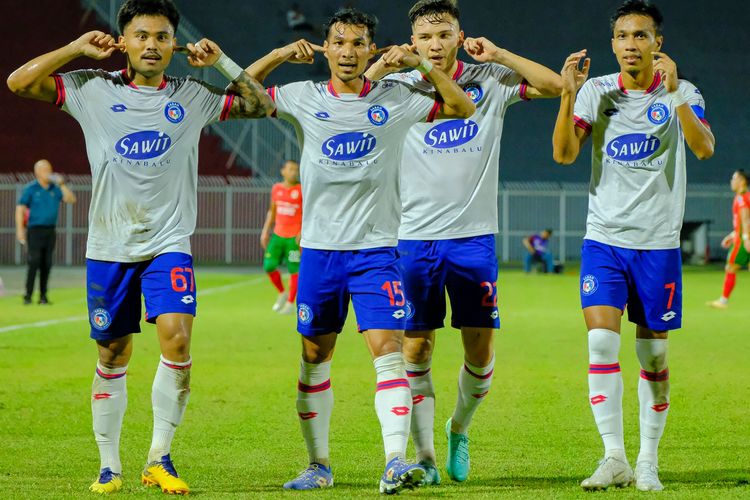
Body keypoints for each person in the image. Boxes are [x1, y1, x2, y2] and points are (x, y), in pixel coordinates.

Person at [7, 0, 274, 494]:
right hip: (109, 245)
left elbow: (260, 105)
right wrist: (75, 47)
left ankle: (159, 457)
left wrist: (220, 62)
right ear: (123, 41)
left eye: (162, 37)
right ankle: (109, 466)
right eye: (142, 35)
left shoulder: (192, 95)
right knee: (113, 354)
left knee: (178, 340)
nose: (152, 45)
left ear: (175, 44)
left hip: (169, 242)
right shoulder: (91, 88)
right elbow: (18, 83)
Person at [246, 7, 475, 493]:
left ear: (372, 50)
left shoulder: (397, 98)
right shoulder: (303, 96)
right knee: (314, 356)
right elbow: (241, 95)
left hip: (376, 252)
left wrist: (421, 63)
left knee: (388, 351)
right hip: (320, 253)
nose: (348, 52)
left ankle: (395, 461)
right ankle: (318, 465)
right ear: (326, 48)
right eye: (339, 42)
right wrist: (280, 54)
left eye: (358, 44)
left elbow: (462, 107)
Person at [364, 0, 562, 484]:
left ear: (460, 35)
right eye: (425, 37)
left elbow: (557, 86)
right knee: (415, 350)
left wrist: (500, 54)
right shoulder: (399, 87)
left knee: (479, 350)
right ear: (413, 41)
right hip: (413, 238)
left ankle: (459, 428)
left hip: (473, 239)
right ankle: (426, 456)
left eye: (444, 34)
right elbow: (352, 100)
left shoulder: (488, 79)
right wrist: (382, 65)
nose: (434, 44)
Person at [552, 0, 714, 492]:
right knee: (601, 342)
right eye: (622, 36)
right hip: (604, 239)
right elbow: (564, 155)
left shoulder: (683, 91)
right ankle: (614, 457)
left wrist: (675, 94)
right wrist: (567, 94)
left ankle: (648, 460)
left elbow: (704, 148)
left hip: (657, 245)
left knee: (653, 357)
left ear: (657, 43)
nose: (630, 44)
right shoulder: (597, 91)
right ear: (613, 44)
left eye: (640, 35)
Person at [15, 159, 77, 304]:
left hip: (50, 230)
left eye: (49, 169)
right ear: (37, 172)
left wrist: (62, 184)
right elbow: (20, 209)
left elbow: (71, 199)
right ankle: (28, 296)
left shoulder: (55, 188)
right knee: (34, 262)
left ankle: (43, 296)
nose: (48, 173)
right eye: (44, 170)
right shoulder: (31, 188)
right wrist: (20, 230)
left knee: (46, 263)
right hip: (35, 230)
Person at [261, 160, 302, 314]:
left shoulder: (301, 189)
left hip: (294, 238)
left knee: (294, 270)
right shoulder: (276, 189)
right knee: (269, 265)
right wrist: (265, 230)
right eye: (291, 169)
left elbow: (307, 213)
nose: (294, 172)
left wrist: (302, 232)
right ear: (283, 171)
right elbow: (272, 211)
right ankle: (282, 292)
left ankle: (290, 303)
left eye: (296, 170)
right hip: (277, 235)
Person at [708, 169, 750, 309]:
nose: (731, 182)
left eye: (734, 178)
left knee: (730, 267)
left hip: (743, 241)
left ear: (742, 181)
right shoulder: (746, 196)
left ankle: (723, 301)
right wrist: (732, 235)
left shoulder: (741, 198)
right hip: (742, 237)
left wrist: (746, 239)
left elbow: (745, 220)